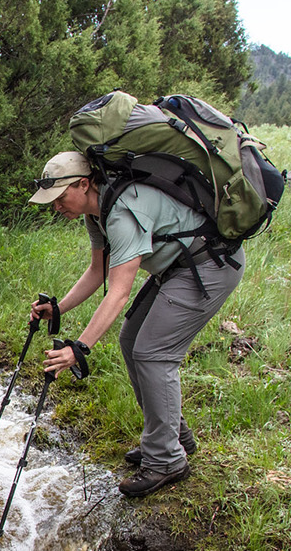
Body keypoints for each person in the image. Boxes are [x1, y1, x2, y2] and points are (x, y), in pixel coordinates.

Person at [27, 151, 243, 498]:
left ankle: (166, 459)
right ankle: (172, 437)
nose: (56, 207)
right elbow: (99, 272)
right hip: (177, 269)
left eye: (60, 198)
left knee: (153, 354)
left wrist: (78, 348)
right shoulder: (97, 214)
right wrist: (59, 307)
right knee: (131, 341)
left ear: (84, 184)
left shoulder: (122, 212)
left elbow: (119, 293)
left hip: (209, 265)